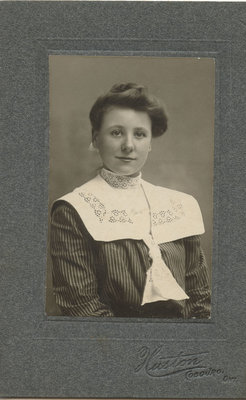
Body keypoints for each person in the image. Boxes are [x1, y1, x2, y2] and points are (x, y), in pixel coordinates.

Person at [50, 82, 211, 318]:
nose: (128, 145)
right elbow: (81, 308)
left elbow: (200, 299)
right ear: (96, 139)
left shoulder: (180, 205)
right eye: (116, 132)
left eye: (139, 134)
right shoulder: (73, 209)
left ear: (150, 143)